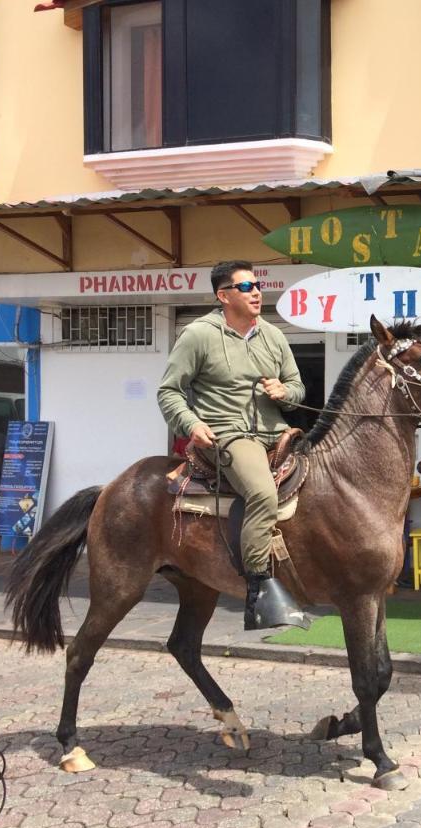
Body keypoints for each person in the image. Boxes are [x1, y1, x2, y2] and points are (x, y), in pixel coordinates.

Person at [157, 260, 310, 631]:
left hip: (278, 434)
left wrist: (284, 391)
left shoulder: (273, 335)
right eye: (246, 287)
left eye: (257, 285)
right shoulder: (197, 335)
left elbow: (297, 388)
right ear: (223, 296)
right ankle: (258, 588)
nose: (256, 292)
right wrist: (192, 424)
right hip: (229, 436)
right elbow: (169, 391)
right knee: (261, 492)